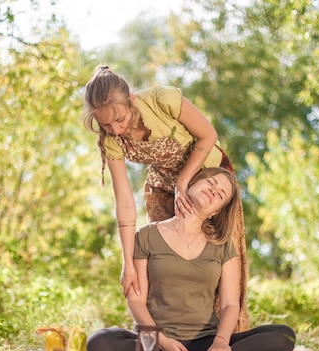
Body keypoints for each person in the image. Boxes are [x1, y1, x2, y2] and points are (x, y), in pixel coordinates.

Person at [83, 65, 250, 332]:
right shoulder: (111, 140)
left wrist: (184, 181)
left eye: (120, 119)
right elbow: (124, 202)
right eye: (105, 124)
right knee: (162, 260)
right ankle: (163, 340)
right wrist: (128, 263)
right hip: (164, 185)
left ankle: (226, 340)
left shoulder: (163, 100)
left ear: (132, 100)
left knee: (218, 260)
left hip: (208, 179)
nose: (115, 129)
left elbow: (209, 135)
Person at [87, 168, 295, 351]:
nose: (213, 191)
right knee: (100, 343)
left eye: (221, 194)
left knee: (283, 337)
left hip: (206, 345)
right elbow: (136, 300)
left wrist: (221, 343)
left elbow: (230, 304)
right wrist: (163, 342)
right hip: (157, 344)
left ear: (216, 211)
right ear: (190, 185)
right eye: (210, 183)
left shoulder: (223, 246)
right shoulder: (146, 235)